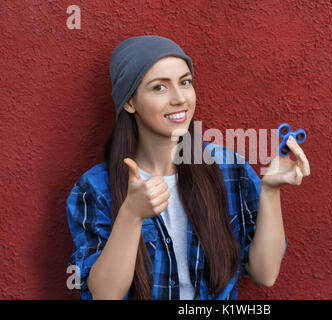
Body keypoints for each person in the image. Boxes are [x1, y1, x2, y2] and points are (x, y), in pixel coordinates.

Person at [66, 35, 310, 300]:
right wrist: (131, 215)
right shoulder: (94, 189)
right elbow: (105, 296)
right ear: (130, 102)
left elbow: (265, 274)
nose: (180, 98)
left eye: (185, 82)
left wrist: (270, 191)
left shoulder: (228, 167)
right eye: (159, 87)